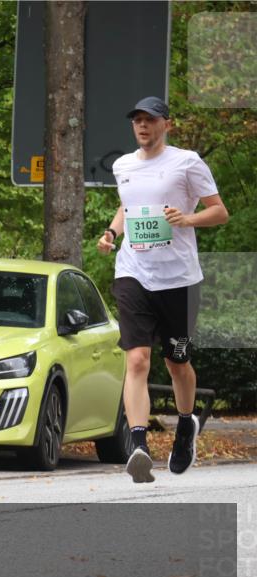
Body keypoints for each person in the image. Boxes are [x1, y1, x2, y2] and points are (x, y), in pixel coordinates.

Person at [97, 96, 228, 483]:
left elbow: (219, 211)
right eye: (137, 120)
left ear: (166, 124)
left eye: (150, 120)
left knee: (176, 361)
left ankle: (186, 425)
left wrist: (187, 218)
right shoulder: (123, 166)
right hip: (133, 272)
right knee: (136, 359)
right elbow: (127, 208)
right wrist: (111, 232)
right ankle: (138, 444)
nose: (143, 126)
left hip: (179, 280)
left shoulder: (186, 162)